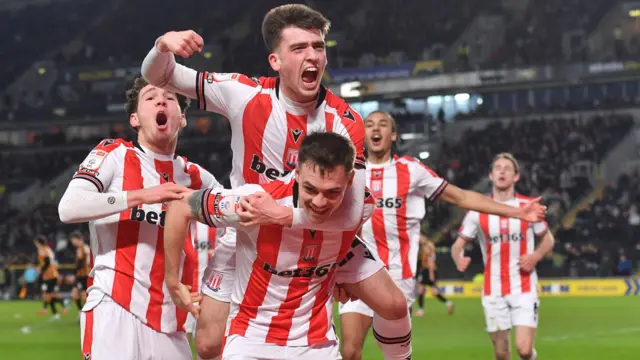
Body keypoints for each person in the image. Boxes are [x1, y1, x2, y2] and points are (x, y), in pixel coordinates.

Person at [142, 4, 371, 359]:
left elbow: (352, 211)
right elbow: (160, 76)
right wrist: (161, 48)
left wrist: (283, 218)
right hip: (244, 232)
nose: (312, 56)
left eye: (318, 47)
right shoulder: (244, 94)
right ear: (275, 61)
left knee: (388, 305)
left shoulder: (346, 122)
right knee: (206, 344)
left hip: (310, 240)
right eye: (299, 48)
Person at [164, 132, 414, 359]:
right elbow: (181, 206)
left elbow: (350, 229)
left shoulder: (361, 206)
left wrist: (339, 272)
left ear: (349, 183)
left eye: (332, 193)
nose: (319, 201)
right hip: (252, 344)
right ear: (296, 174)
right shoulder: (253, 203)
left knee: (395, 304)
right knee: (207, 344)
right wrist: (173, 282)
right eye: (310, 188)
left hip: (316, 347)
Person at [338, 112, 547, 360]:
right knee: (350, 351)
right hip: (358, 269)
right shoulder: (351, 171)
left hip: (397, 276)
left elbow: (461, 197)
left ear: (392, 135)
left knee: (395, 355)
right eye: (369, 124)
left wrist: (519, 212)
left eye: (383, 125)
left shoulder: (411, 170)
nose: (376, 129)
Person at [58, 77, 221, 360]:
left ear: (182, 118)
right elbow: (69, 207)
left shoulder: (197, 177)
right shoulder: (113, 154)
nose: (161, 101)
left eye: (170, 98)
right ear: (135, 119)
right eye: (150, 97)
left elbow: (236, 223)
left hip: (172, 322)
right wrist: (141, 195)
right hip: (115, 306)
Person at [451, 153, 556, 360]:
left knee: (524, 350)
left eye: (507, 168)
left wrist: (536, 255)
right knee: (501, 353)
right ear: (491, 175)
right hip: (493, 288)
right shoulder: (477, 211)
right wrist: (458, 258)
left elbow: (548, 239)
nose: (502, 171)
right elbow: (457, 246)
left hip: (524, 286)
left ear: (516, 177)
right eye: (497, 168)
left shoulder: (528, 207)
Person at [184, 222, 225, 342]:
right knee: (183, 334)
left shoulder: (216, 221)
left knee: (206, 341)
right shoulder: (184, 220)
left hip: (209, 290)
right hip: (188, 288)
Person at [415, 234, 453, 317]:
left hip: (428, 270)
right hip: (428, 270)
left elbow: (430, 259)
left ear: (424, 237)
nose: (419, 239)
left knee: (421, 290)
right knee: (434, 292)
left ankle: (421, 310)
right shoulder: (427, 245)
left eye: (420, 237)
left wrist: (431, 273)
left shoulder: (427, 246)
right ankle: (448, 303)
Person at [33, 235, 65, 319]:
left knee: (48, 294)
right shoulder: (47, 249)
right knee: (50, 294)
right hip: (51, 275)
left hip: (49, 275)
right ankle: (56, 310)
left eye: (36, 243)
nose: (35, 245)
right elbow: (51, 262)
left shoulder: (42, 250)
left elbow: (47, 262)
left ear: (39, 243)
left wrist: (41, 271)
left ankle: (54, 310)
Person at [70, 231, 90, 313]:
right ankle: (81, 312)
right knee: (74, 294)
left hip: (85, 276)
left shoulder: (84, 248)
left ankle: (87, 313)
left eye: (73, 240)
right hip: (79, 276)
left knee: (84, 296)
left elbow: (85, 261)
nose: (73, 243)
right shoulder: (79, 249)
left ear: (77, 239)